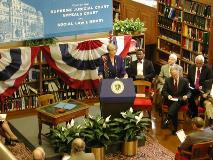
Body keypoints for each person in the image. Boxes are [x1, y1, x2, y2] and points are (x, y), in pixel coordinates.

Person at [162, 66, 191, 134]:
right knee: (174, 107)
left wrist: (186, 96)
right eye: (172, 75)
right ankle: (174, 128)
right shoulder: (168, 80)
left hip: (181, 100)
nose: (174, 76)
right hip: (170, 99)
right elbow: (163, 91)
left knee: (177, 102)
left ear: (178, 73)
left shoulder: (184, 80)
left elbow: (189, 92)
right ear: (170, 74)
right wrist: (168, 95)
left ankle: (168, 118)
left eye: (175, 75)